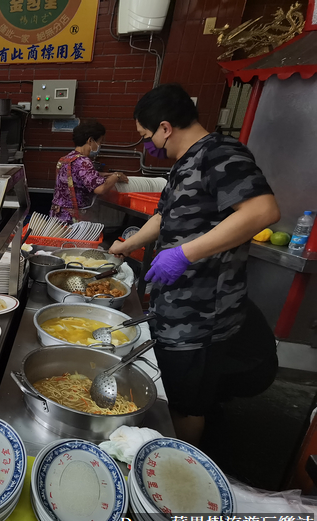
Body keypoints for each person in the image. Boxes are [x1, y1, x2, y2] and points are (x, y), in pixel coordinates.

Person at [109, 84, 280, 446]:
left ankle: (181, 473)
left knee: (188, 405)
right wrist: (127, 245)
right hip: (176, 308)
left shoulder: (220, 153)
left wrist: (184, 254)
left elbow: (262, 211)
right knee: (178, 392)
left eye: (146, 136)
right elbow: (164, 216)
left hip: (202, 316)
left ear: (165, 127)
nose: (148, 146)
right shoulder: (185, 162)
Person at [50, 119, 128, 224]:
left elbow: (77, 176)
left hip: (57, 217)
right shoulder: (83, 162)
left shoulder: (65, 159)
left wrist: (103, 174)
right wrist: (117, 176)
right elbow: (100, 189)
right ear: (90, 140)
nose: (100, 146)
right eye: (100, 142)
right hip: (72, 221)